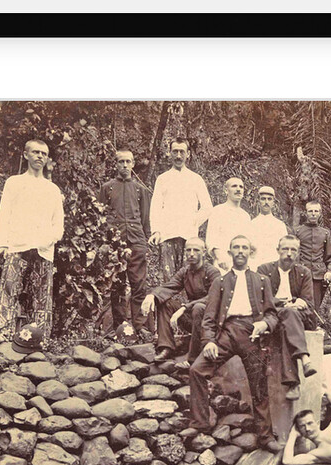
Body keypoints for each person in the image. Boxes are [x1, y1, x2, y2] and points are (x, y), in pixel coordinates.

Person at [189, 235, 279, 447]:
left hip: (252, 334)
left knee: (259, 384)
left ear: (251, 252)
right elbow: (209, 316)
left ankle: (265, 436)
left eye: (244, 248)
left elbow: (273, 314)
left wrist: (265, 324)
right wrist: (209, 341)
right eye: (236, 247)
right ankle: (200, 423)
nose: (240, 251)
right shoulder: (220, 282)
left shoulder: (262, 281)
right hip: (226, 332)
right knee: (197, 369)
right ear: (229, 253)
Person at [0, 139, 65, 340]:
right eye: (35, 152)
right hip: (17, 244)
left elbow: (58, 224)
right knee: (9, 289)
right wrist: (2, 244)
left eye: (43, 153)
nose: (40, 156)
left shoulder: (52, 189)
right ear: (25, 155)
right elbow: (4, 214)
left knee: (41, 297)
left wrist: (47, 240)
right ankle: (1, 333)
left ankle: (38, 339)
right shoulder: (14, 183)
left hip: (43, 248)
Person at [140, 237, 221, 367]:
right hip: (193, 317)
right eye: (188, 250)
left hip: (210, 322)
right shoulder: (185, 272)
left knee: (199, 307)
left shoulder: (212, 272)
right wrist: (152, 296)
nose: (192, 254)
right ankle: (166, 347)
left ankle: (192, 359)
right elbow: (169, 287)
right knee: (166, 303)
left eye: (196, 250)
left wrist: (184, 307)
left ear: (204, 252)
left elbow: (213, 297)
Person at [97, 149, 152, 335]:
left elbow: (145, 219)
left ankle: (140, 326)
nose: (125, 165)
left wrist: (145, 241)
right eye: (121, 162)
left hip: (137, 241)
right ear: (116, 164)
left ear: (133, 164)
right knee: (118, 285)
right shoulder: (107, 188)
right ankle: (120, 326)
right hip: (115, 244)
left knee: (139, 284)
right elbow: (101, 217)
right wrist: (106, 241)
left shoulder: (140, 190)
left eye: (128, 162)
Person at [256, 235, 317, 400]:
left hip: (300, 316)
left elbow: (308, 302)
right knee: (286, 322)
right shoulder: (264, 270)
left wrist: (296, 304)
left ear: (297, 253)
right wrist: (284, 303)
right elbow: (261, 299)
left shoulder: (304, 273)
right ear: (278, 250)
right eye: (285, 249)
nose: (289, 253)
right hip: (273, 314)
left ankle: (293, 381)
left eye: (293, 250)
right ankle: (302, 364)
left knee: (290, 314)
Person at [148, 139, 213, 279]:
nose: (178, 156)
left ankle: (188, 302)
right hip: (167, 236)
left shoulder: (196, 179)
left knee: (189, 278)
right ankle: (168, 301)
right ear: (169, 153)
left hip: (188, 237)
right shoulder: (162, 179)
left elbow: (207, 207)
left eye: (182, 152)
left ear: (188, 154)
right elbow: (155, 207)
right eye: (175, 151)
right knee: (168, 279)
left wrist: (193, 221)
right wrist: (156, 231)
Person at [295, 201, 331, 309]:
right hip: (301, 274)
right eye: (310, 211)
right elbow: (294, 254)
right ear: (306, 213)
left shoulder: (325, 233)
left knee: (315, 306)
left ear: (320, 213)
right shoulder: (298, 232)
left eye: (316, 211)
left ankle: (313, 325)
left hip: (318, 276)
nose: (313, 213)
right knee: (300, 304)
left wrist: (330, 271)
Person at [205, 178, 252, 273]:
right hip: (223, 263)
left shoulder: (245, 216)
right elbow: (211, 239)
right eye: (234, 186)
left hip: (242, 263)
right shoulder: (217, 211)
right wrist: (220, 257)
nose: (238, 189)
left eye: (241, 187)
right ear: (226, 190)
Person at [247, 186, 289, 271]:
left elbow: (285, 249)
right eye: (263, 199)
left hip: (274, 269)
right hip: (255, 267)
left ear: (273, 203)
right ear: (258, 202)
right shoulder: (251, 224)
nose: (266, 202)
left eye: (269, 199)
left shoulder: (280, 225)